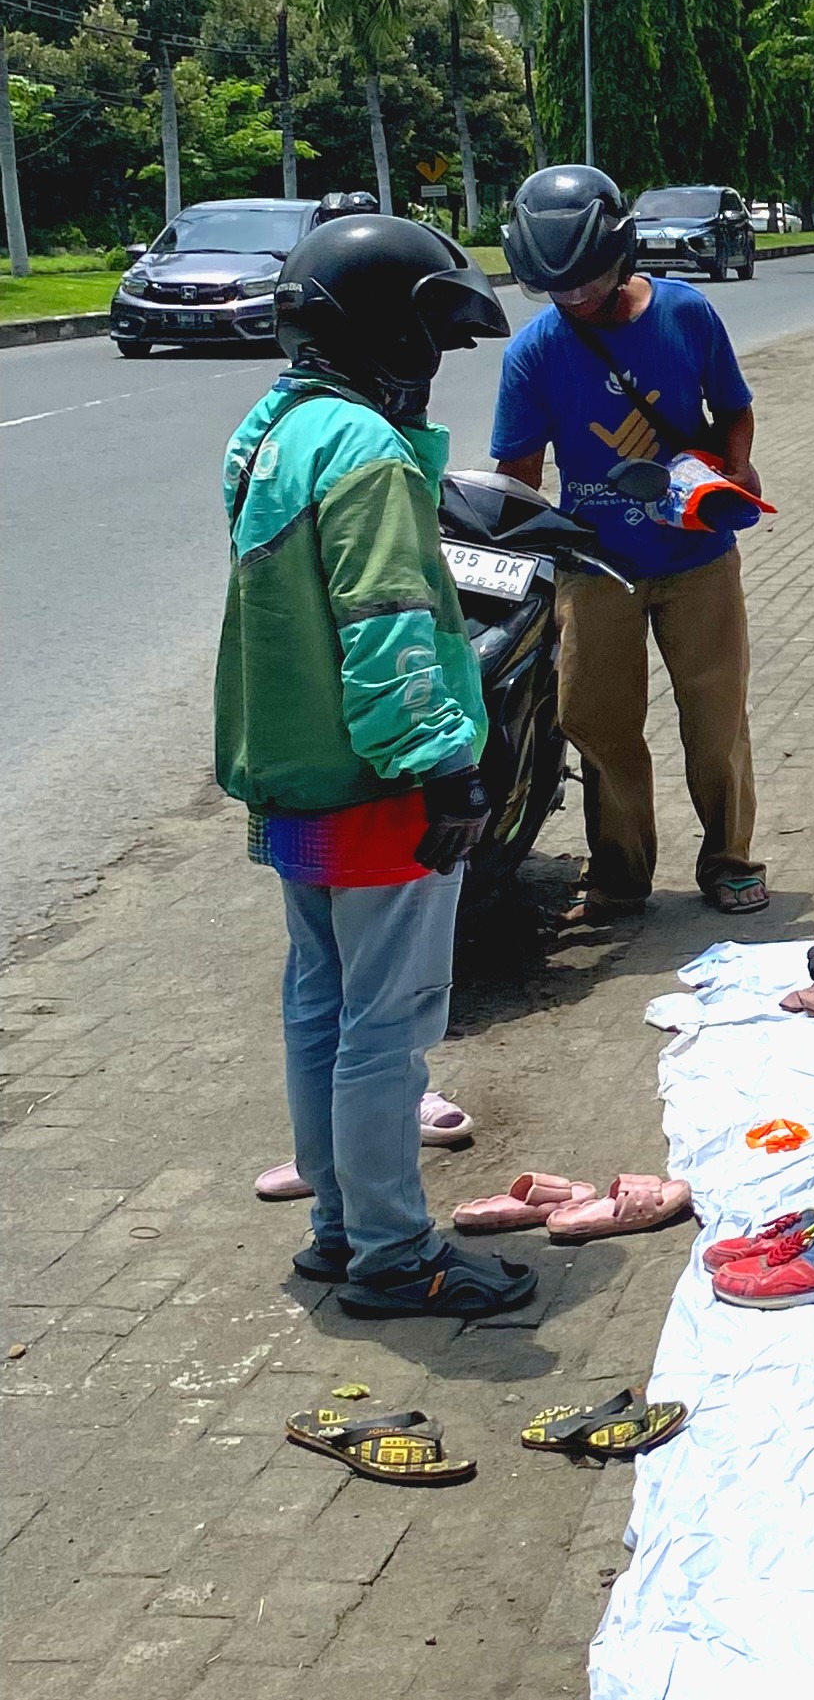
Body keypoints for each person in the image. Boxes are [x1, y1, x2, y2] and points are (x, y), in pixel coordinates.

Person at [216, 212, 537, 1320]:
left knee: (322, 1004)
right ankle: (397, 1256)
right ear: (382, 334)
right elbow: (388, 621)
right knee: (385, 1028)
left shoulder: (271, 431)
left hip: (294, 775)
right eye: (430, 343)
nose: (434, 368)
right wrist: (444, 769)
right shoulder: (364, 451)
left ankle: (337, 1229)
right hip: (377, 782)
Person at [493, 165, 768, 923]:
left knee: (716, 719)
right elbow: (516, 477)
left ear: (623, 256)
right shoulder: (534, 353)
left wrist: (735, 467)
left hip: (696, 558)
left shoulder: (687, 314)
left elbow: (734, 407)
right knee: (599, 723)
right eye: (557, 288)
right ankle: (619, 873)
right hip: (594, 566)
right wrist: (529, 551)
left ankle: (731, 858)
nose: (574, 299)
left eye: (586, 282)